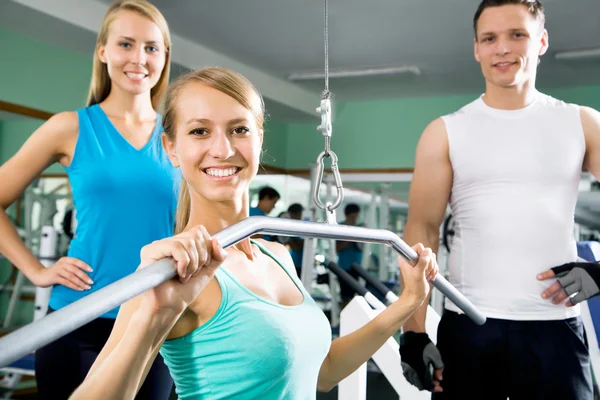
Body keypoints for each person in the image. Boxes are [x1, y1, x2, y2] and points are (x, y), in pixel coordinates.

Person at [67, 67, 440, 400]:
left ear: (259, 138)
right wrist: (154, 316)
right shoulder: (168, 272)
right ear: (171, 148)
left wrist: (408, 302)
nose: (223, 149)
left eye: (239, 129)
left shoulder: (276, 254)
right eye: (199, 131)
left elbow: (322, 372)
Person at [400, 1, 600, 398]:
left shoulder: (581, 122)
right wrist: (414, 329)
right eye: (489, 38)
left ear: (541, 41)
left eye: (517, 35)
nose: (502, 48)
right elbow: (422, 229)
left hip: (555, 327)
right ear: (476, 48)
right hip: (470, 326)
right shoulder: (445, 131)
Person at [0, 1, 178, 398]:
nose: (139, 58)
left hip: (154, 318)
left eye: (151, 47)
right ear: (103, 51)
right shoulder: (69, 127)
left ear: (165, 56)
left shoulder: (180, 136)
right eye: (126, 44)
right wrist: (36, 270)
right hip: (78, 315)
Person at [336, 203, 363, 308]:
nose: (355, 219)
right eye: (353, 216)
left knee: (355, 296)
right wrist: (349, 238)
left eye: (356, 216)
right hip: (344, 267)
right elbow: (337, 248)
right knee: (345, 296)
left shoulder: (360, 229)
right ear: (347, 215)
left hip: (357, 268)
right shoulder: (340, 228)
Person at [286, 203, 305, 275]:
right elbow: (296, 247)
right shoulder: (291, 229)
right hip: (294, 264)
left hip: (301, 263)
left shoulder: (300, 228)